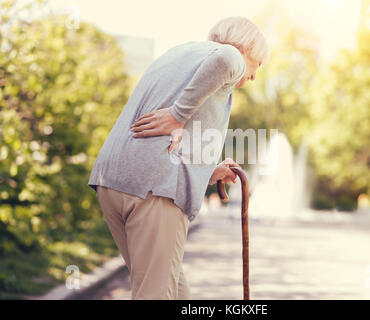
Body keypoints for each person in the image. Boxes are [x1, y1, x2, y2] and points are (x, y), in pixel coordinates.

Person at [87, 16, 270, 300]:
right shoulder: (229, 55)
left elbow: (169, 142)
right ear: (248, 48)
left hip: (113, 180)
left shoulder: (177, 54)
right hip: (154, 190)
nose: (254, 76)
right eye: (257, 65)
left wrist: (209, 171)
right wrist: (177, 115)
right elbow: (224, 61)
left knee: (173, 290)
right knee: (156, 294)